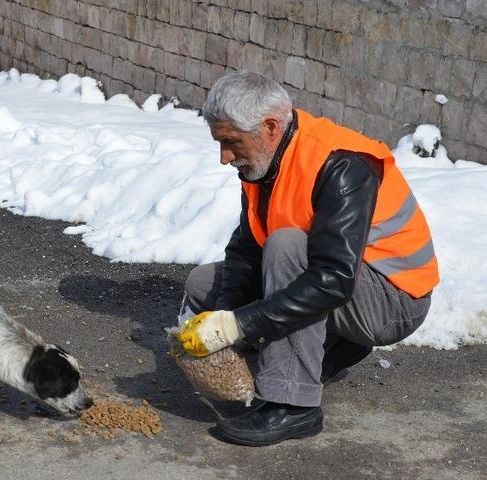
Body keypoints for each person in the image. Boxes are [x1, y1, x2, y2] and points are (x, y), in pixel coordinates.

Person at [176, 70, 438, 446]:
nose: (224, 157)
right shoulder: (264, 161)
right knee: (203, 284)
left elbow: (332, 279)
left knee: (286, 246)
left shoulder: (342, 164)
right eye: (220, 143)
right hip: (344, 286)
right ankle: (332, 349)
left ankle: (292, 405)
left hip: (393, 300)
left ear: (269, 127)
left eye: (231, 143)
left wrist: (239, 325)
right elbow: (247, 248)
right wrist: (223, 315)